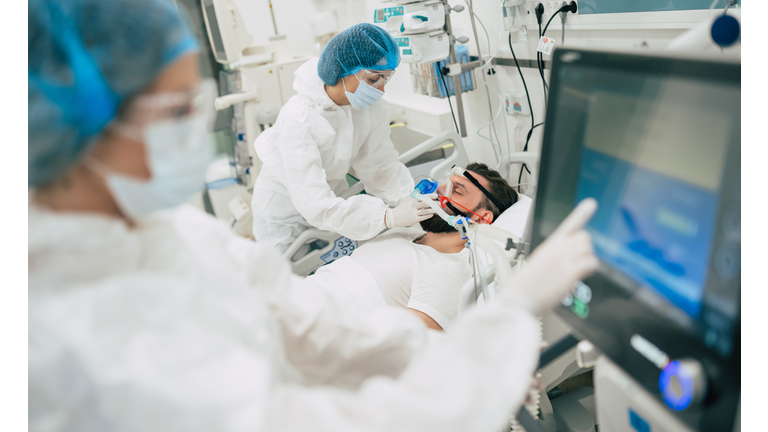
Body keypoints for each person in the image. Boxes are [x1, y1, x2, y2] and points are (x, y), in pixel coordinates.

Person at [28, 1, 601, 430]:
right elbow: (359, 418)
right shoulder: (70, 336)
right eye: (180, 109)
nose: (195, 129)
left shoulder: (169, 233)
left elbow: (304, 321)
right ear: (84, 124)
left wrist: (407, 212)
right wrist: (504, 325)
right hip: (296, 217)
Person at [251, 23, 434, 253]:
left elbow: (379, 166)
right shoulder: (299, 119)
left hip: (330, 207)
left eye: (385, 79)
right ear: (343, 71)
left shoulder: (369, 108)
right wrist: (387, 217)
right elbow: (315, 204)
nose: (381, 90)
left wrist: (409, 198)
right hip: (284, 219)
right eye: (374, 79)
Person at [302, 163, 523, 331]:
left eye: (456, 191)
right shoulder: (407, 232)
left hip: (319, 327)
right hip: (302, 298)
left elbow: (410, 349)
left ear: (482, 219)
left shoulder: (448, 268)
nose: (438, 191)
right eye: (444, 183)